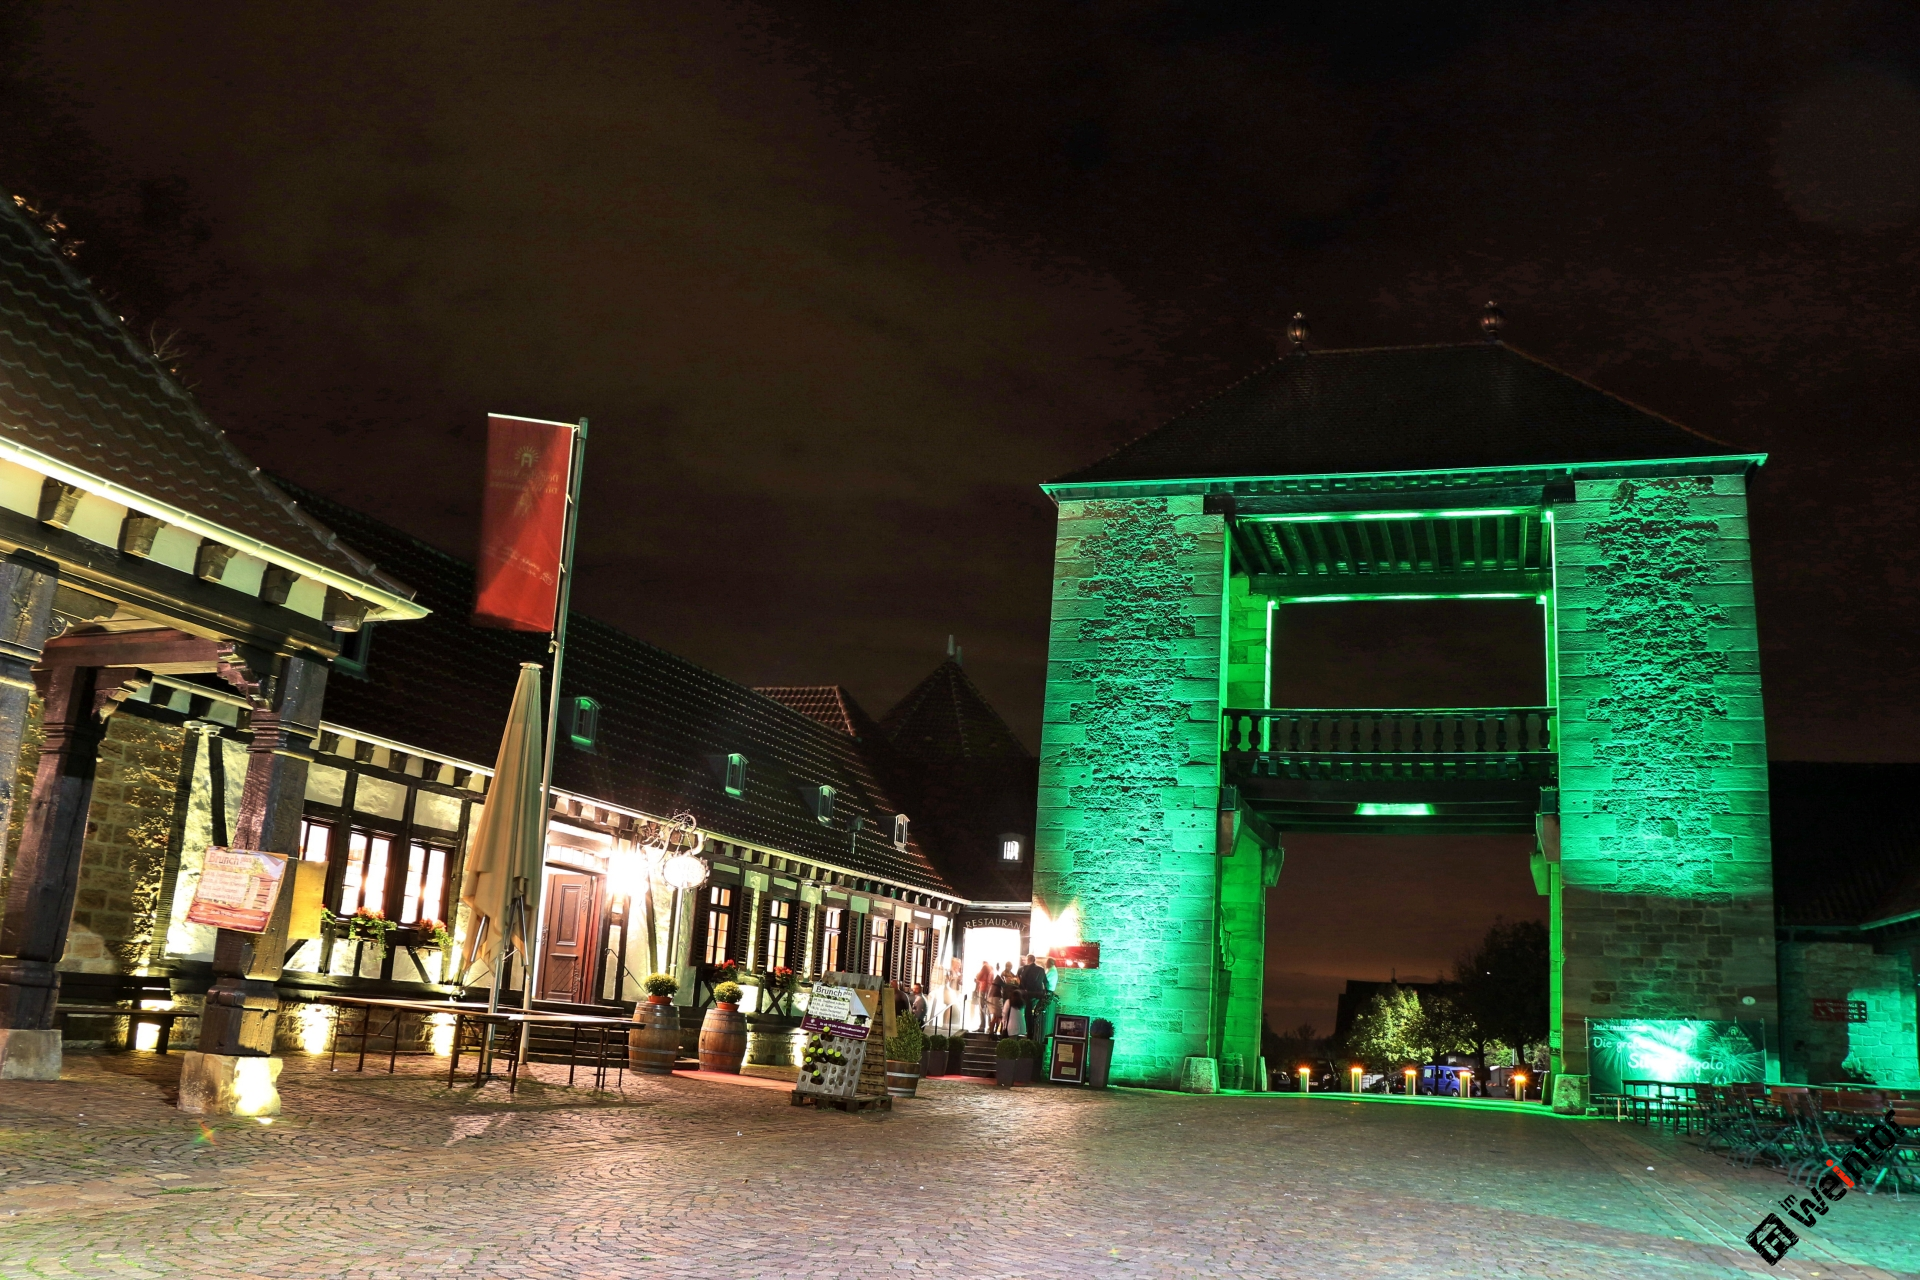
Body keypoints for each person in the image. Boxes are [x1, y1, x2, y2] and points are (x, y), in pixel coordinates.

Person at [1017, 953, 1050, 1037]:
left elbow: (1022, 981)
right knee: (1037, 1013)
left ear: (1028, 960)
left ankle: (1029, 1031)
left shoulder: (1025, 969)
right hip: (1039, 994)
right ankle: (1036, 1030)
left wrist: (1022, 990)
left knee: (1028, 1013)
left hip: (1029, 994)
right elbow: (1046, 982)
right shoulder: (1041, 969)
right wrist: (1046, 992)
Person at [973, 961, 994, 1033]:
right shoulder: (990, 969)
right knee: (987, 1008)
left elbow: (978, 977)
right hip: (988, 990)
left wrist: (977, 977)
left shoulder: (985, 967)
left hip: (983, 989)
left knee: (982, 1008)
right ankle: (990, 1026)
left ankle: (982, 1026)